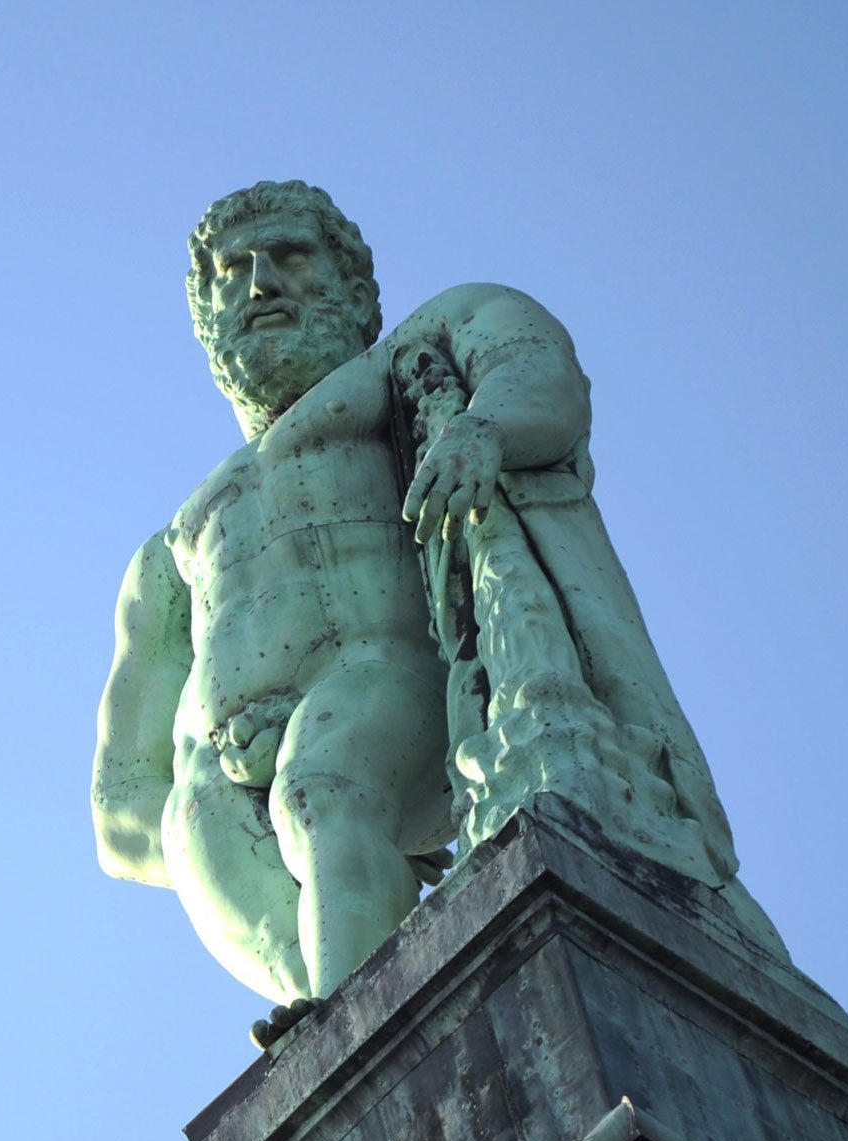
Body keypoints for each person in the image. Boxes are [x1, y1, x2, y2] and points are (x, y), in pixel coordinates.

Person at [93, 181, 776, 1036]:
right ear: (210, 320)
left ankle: (365, 1036)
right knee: (207, 821)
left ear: (351, 290)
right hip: (227, 767)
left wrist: (483, 430)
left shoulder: (410, 352)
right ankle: (336, 1016)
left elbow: (535, 370)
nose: (261, 281)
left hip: (383, 682)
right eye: (233, 271)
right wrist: (201, 803)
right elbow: (122, 804)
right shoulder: (167, 550)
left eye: (290, 255)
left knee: (321, 786)